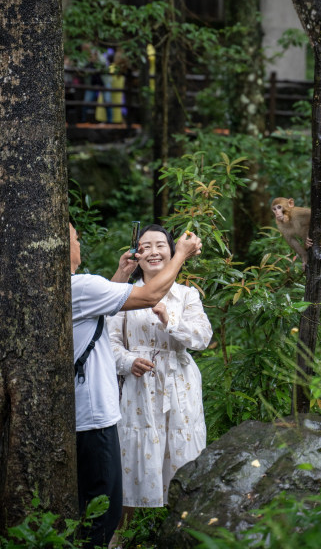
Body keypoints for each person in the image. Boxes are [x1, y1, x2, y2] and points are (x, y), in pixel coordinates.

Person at [69, 222, 202, 549]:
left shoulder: (186, 294)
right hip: (110, 407)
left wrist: (120, 276)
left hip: (166, 393)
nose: (79, 243)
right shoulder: (82, 285)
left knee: (113, 493)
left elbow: (97, 315)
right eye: (75, 237)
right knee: (113, 498)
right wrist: (183, 254)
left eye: (163, 245)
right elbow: (146, 298)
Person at [107, 224, 212, 530]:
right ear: (136, 255)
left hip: (180, 384)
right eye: (145, 246)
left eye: (160, 245)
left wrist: (171, 319)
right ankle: (122, 535)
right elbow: (109, 342)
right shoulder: (124, 294)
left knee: (183, 451)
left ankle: (186, 531)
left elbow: (202, 336)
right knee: (134, 455)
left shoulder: (186, 294)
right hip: (139, 389)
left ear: (172, 251)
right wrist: (129, 361)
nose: (153, 252)